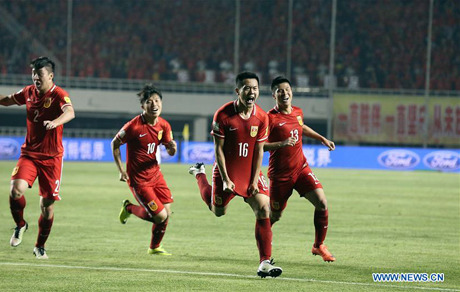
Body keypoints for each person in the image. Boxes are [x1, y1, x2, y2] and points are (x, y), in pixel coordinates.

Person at [188, 72, 282, 278]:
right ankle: (199, 174)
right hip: (226, 173)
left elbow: (259, 150)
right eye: (247, 88)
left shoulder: (262, 117)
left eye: (255, 88)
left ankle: (265, 262)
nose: (252, 92)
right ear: (238, 91)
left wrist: (255, 177)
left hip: (249, 172)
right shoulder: (222, 115)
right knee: (218, 211)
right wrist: (226, 179)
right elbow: (218, 150)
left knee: (264, 208)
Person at [0, 57, 75, 259]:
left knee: (47, 207)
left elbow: (70, 112)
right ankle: (20, 224)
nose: (35, 77)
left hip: (52, 159)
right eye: (33, 74)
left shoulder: (59, 94)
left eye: (39, 74)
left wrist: (56, 122)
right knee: (16, 190)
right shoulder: (28, 92)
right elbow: (7, 100)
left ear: (50, 76)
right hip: (30, 154)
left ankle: (39, 246)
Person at [264, 76, 336, 262]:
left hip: (301, 169)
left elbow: (301, 126)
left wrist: (322, 138)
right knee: (275, 215)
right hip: (280, 176)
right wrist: (282, 143)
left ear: (291, 92)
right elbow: (260, 145)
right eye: (280, 90)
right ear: (274, 95)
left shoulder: (297, 112)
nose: (284, 92)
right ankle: (263, 238)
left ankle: (318, 245)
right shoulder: (269, 118)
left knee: (322, 202)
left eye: (287, 89)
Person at [113, 84, 177, 256]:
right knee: (160, 216)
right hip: (139, 180)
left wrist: (173, 148)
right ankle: (128, 208)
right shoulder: (133, 126)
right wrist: (121, 170)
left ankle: (154, 247)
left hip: (156, 175)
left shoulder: (164, 125)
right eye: (149, 102)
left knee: (167, 212)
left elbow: (169, 151)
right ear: (143, 106)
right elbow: (115, 144)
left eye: (157, 100)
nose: (154, 104)